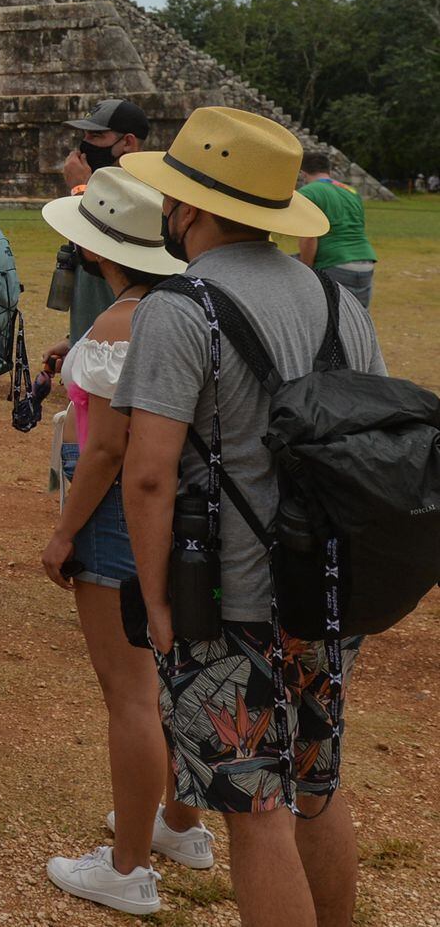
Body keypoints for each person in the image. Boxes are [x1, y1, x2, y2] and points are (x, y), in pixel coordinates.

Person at [119, 107, 387, 927]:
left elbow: (151, 476)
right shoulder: (338, 303)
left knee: (253, 808)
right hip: (325, 593)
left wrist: (159, 604)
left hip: (228, 596)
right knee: (314, 787)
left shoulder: (179, 308)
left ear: (190, 209)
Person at [37, 168, 212, 915]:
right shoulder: (188, 308)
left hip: (113, 519)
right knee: (176, 685)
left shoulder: (120, 323)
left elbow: (105, 450)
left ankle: (129, 865)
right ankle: (181, 822)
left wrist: (62, 532)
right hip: (186, 517)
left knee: (131, 697)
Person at [53, 99, 152, 351]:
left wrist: (80, 190)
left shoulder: (144, 199)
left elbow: (97, 249)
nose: (84, 147)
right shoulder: (100, 193)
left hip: (116, 351)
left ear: (127, 143)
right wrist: (73, 338)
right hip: (92, 342)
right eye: (84, 135)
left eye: (96, 136)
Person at [295, 151, 377, 309]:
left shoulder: (307, 193)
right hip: (365, 260)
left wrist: (307, 271)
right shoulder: (351, 192)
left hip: (334, 262)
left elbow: (309, 238)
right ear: (329, 171)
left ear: (303, 173)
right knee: (357, 324)